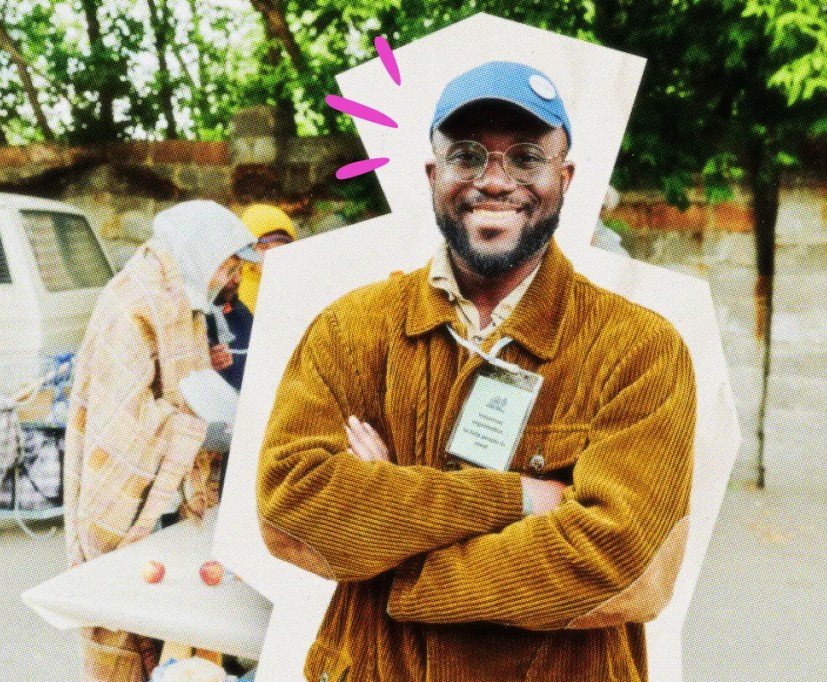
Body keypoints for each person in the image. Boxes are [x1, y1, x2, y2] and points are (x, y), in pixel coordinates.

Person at [257, 61, 696, 682]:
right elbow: (291, 508)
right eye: (467, 156)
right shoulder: (351, 329)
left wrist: (396, 548)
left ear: (565, 179)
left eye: (525, 158)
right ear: (433, 175)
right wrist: (521, 498)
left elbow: (625, 562)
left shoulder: (640, 350)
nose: (495, 180)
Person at [64, 200, 259, 682]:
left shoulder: (182, 296)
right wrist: (202, 431)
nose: (230, 276)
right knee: (125, 623)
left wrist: (202, 366)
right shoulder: (136, 303)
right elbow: (123, 421)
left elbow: (171, 379)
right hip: (135, 490)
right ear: (199, 250)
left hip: (166, 488)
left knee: (163, 621)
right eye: (227, 263)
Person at [236, 203, 297, 315]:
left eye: (282, 246)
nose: (274, 254)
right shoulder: (241, 298)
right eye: (264, 248)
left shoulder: (302, 277)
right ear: (249, 252)